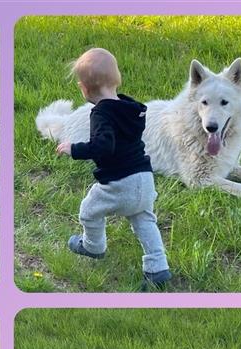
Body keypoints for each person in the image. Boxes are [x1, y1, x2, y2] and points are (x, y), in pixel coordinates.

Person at [55, 48, 171, 288]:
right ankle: (157, 267)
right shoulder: (132, 109)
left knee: (89, 210)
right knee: (144, 220)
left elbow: (102, 146)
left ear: (84, 88)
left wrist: (74, 149)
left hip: (120, 183)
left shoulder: (101, 114)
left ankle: (93, 246)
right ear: (116, 80)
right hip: (145, 179)